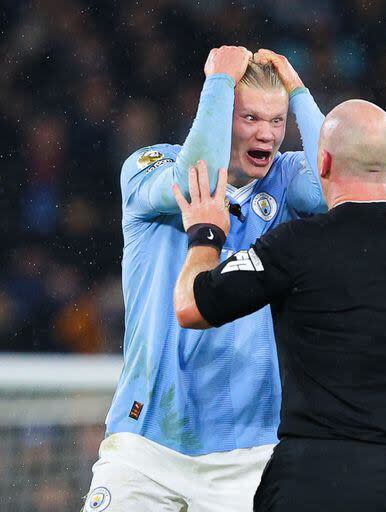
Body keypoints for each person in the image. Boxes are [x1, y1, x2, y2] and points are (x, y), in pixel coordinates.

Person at [172, 99, 386, 512]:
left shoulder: (296, 245)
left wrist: (206, 234)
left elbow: (190, 307)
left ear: (321, 162)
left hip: (315, 476)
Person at [83, 46, 326, 512]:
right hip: (145, 442)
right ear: (218, 113)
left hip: (248, 453)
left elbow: (331, 184)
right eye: (251, 117)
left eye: (277, 121)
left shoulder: (285, 179)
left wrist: (298, 90)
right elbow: (200, 177)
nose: (268, 135)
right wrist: (217, 83)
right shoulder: (148, 165)